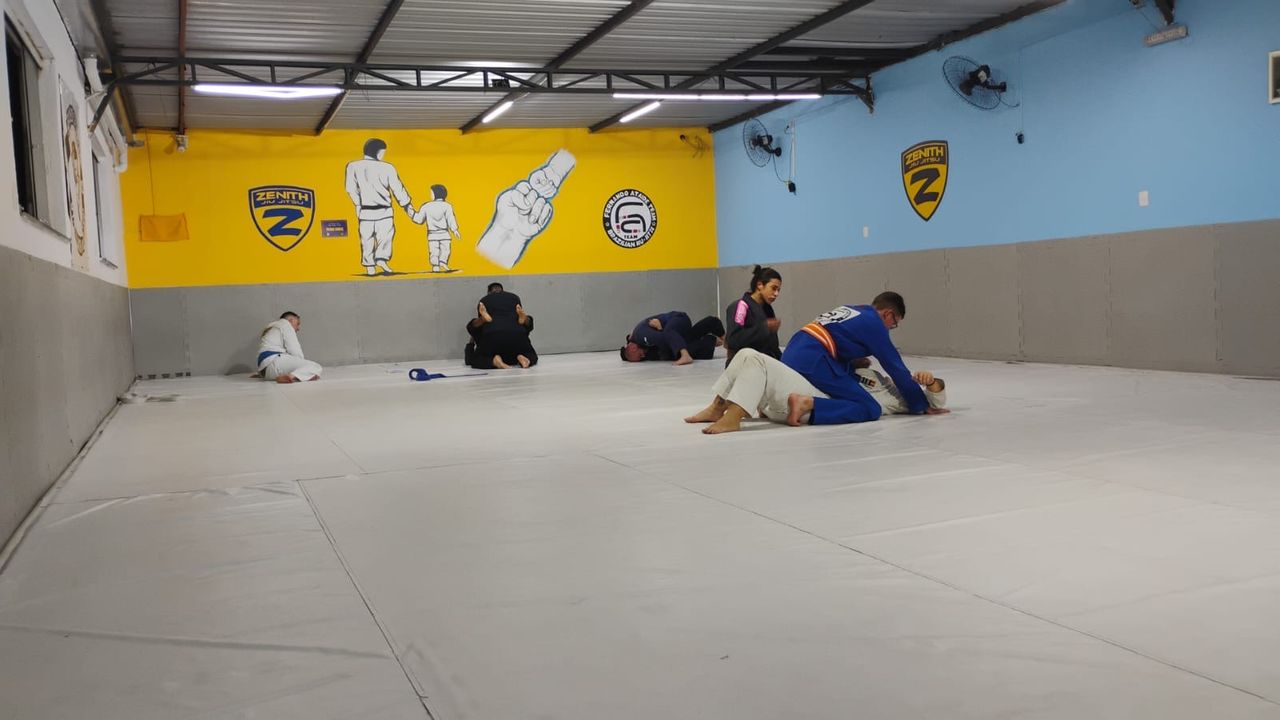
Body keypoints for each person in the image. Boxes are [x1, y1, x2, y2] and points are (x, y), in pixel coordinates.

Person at [684, 348, 948, 434]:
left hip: (813, 404)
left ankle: (734, 417)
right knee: (746, 354)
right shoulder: (873, 375)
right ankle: (717, 406)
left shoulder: (897, 397)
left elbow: (935, 401)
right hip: (807, 393)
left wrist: (932, 382)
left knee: (757, 361)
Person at [780, 291, 947, 424]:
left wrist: (853, 360)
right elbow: (895, 367)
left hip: (793, 351)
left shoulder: (853, 310)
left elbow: (836, 338)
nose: (890, 329)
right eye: (894, 324)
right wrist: (920, 404)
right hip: (812, 359)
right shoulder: (874, 323)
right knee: (870, 408)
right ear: (888, 314)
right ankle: (807, 404)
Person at [344, 138, 414, 276]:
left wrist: (358, 204)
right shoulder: (387, 167)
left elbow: (350, 189)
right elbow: (397, 189)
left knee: (366, 239)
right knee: (385, 237)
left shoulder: (353, 166)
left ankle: (370, 266)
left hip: (365, 210)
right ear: (379, 152)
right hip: (385, 210)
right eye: (383, 152)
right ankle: (381, 259)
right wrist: (407, 206)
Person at [466, 283, 536, 369]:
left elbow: (477, 330)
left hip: (492, 337)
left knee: (476, 359)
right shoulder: (514, 298)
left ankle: (494, 361)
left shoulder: (484, 300)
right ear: (502, 290)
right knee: (531, 354)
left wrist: (472, 341)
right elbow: (529, 328)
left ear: (489, 292)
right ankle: (524, 358)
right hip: (517, 336)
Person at [724, 265, 782, 365]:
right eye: (773, 288)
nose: (776, 294)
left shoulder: (767, 309)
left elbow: (773, 346)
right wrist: (764, 328)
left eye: (778, 290)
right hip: (742, 365)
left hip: (764, 363)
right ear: (760, 285)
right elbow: (733, 340)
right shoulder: (741, 306)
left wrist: (783, 362)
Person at [620, 311, 725, 366]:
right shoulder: (636, 340)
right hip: (678, 330)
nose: (643, 356)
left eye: (640, 355)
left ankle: (685, 355)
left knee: (670, 337)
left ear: (632, 348)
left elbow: (664, 340)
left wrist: (660, 329)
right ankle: (713, 325)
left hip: (678, 319)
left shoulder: (641, 335)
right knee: (684, 340)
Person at [255, 311, 322, 383]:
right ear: (291, 320)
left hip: (265, 371)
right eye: (298, 323)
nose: (298, 328)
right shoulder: (285, 324)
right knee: (315, 366)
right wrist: (304, 367)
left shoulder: (271, 326)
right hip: (274, 362)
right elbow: (294, 349)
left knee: (307, 369)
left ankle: (295, 375)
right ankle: (291, 376)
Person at [412, 183, 461, 273]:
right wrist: (455, 230)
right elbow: (451, 219)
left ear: (435, 194)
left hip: (432, 234)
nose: (430, 195)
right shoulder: (447, 206)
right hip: (444, 234)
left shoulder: (426, 206)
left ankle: (435, 266)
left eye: (431, 193)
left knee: (434, 251)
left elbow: (419, 220)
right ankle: (443, 261)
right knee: (446, 249)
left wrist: (411, 213)